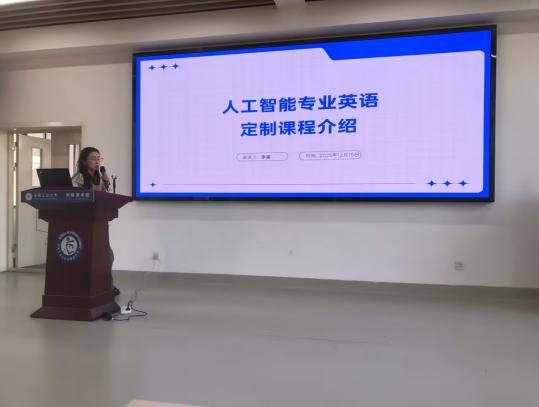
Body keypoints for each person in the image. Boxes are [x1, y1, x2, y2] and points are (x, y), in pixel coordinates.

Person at [72, 147, 120, 297]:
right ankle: (86, 287)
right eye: (93, 158)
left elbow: (106, 198)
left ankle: (107, 285)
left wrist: (106, 184)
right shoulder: (79, 177)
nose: (97, 161)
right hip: (83, 224)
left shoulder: (100, 178)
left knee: (107, 256)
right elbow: (73, 198)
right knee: (88, 258)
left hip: (99, 223)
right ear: (84, 161)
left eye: (99, 158)